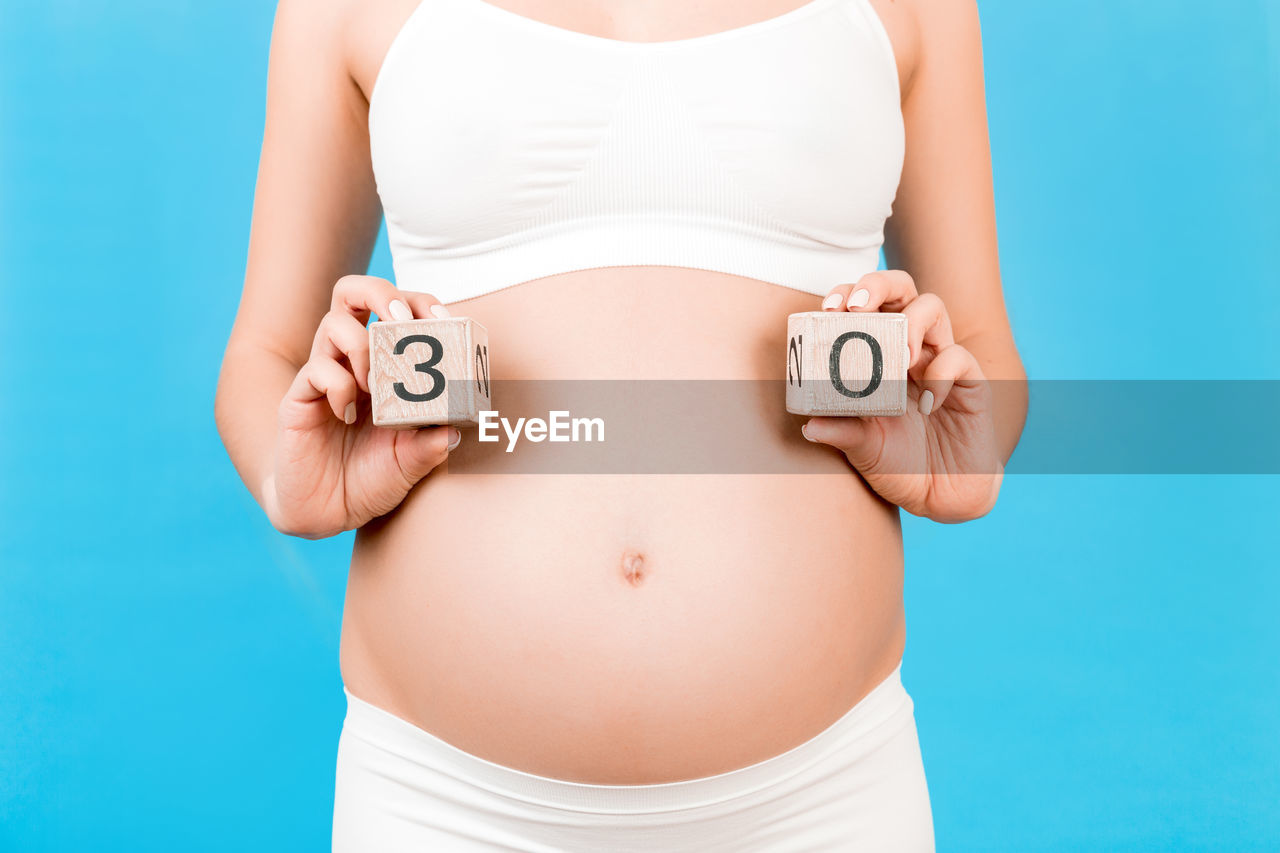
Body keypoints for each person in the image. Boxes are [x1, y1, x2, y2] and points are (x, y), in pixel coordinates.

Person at [214, 0, 1027, 848]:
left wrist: (967, 445)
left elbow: (980, 343)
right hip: (441, 801)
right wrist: (288, 474)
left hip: (823, 798)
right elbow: (262, 352)